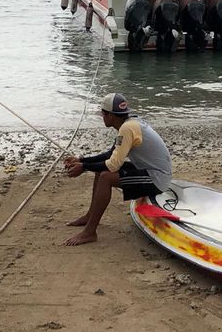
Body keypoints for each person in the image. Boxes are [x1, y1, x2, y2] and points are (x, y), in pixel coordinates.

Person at [62, 92, 173, 246]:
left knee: (105, 177)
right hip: (148, 169)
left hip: (157, 178)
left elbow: (113, 165)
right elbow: (110, 155)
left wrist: (84, 167)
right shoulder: (129, 123)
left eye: (103, 114)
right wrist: (81, 160)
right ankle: (89, 216)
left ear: (110, 115)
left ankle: (90, 232)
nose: (102, 117)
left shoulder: (127, 128)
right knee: (101, 171)